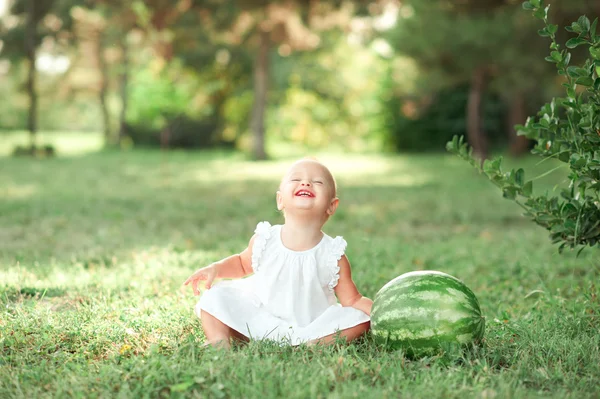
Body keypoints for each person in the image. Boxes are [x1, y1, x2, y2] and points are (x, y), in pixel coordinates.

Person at [184, 158, 372, 349]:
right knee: (215, 295)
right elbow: (241, 264)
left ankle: (311, 344)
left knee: (361, 320)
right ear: (280, 200)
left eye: (317, 182)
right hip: (260, 318)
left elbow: (352, 300)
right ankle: (218, 340)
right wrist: (216, 268)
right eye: (296, 179)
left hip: (311, 327)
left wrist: (377, 311)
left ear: (332, 206)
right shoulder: (266, 239)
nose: (305, 183)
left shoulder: (333, 255)